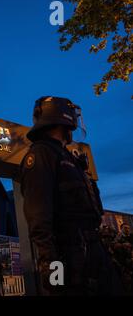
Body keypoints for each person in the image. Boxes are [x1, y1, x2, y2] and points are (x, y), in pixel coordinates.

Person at [19, 96, 120, 295]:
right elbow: (38, 214)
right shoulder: (41, 154)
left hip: (92, 252)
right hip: (70, 255)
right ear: (62, 117)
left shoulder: (68, 157)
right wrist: (51, 265)